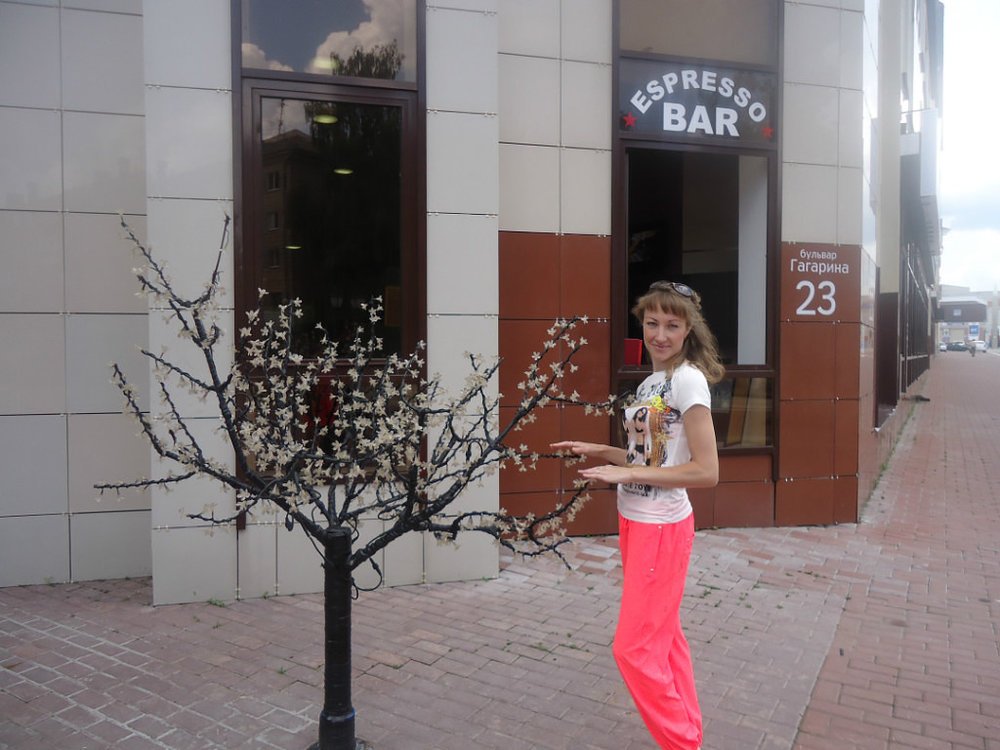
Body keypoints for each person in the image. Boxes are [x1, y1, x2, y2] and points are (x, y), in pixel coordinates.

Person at [552, 280, 724, 750]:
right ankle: (689, 734)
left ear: (688, 329)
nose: (660, 335)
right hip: (637, 521)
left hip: (661, 526)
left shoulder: (687, 380)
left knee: (632, 648)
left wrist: (624, 474)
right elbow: (650, 460)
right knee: (665, 636)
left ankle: (681, 741)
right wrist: (600, 450)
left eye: (672, 325)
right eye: (652, 323)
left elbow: (706, 471)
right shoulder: (652, 383)